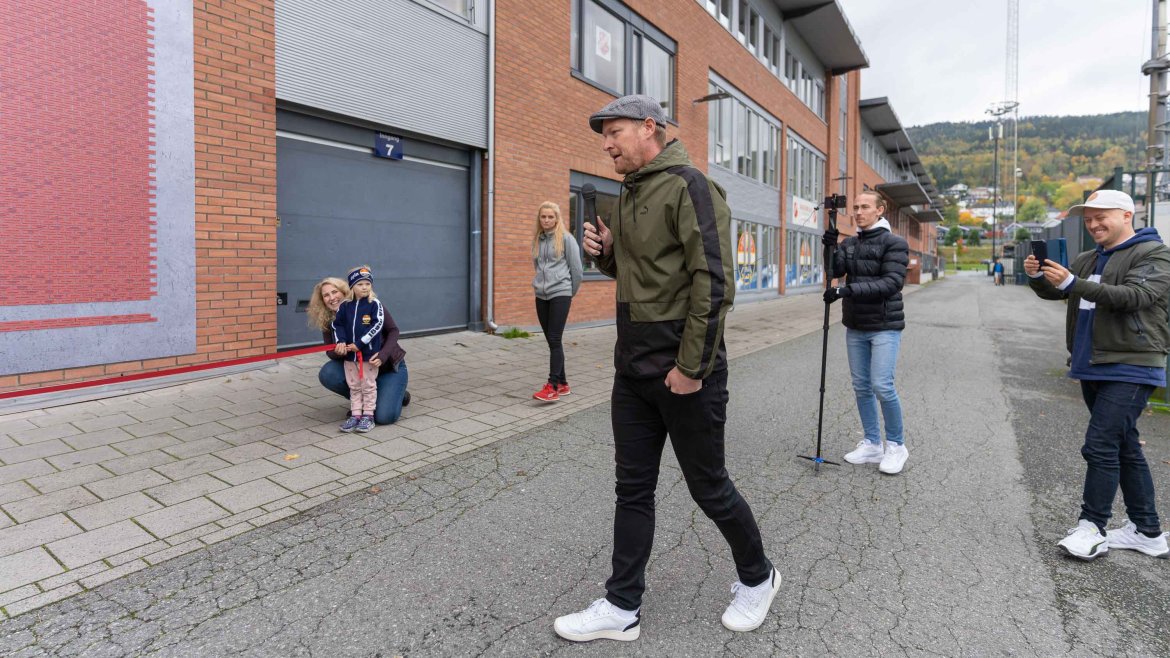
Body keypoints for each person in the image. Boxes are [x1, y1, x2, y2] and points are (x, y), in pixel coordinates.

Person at [553, 95, 778, 644]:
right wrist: (608, 254)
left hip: (684, 369)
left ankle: (759, 577)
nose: (607, 145)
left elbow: (714, 281)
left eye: (615, 132)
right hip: (632, 368)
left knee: (709, 488)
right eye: (604, 137)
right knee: (632, 489)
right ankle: (621, 606)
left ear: (649, 127)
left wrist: (692, 367)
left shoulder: (690, 185)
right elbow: (646, 275)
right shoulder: (630, 193)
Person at [1024, 189, 1170, 560]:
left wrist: (1072, 282)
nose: (1093, 225)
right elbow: (1060, 293)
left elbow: (1134, 297)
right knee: (1124, 445)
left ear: (1127, 215)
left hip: (1133, 363)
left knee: (1100, 444)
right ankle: (1147, 532)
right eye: (1088, 219)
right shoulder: (1088, 258)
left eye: (1101, 216)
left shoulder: (1154, 253)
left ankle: (1092, 527)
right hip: (1091, 362)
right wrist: (1040, 277)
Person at [822, 190, 910, 475]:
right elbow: (834, 271)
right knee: (861, 387)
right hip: (856, 325)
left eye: (865, 207)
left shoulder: (895, 243)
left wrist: (847, 290)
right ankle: (872, 443)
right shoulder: (850, 243)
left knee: (882, 385)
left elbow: (892, 283)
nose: (858, 212)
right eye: (856, 207)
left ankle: (896, 445)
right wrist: (830, 247)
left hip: (884, 325)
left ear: (879, 210)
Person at [307, 276, 410, 426]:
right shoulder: (330, 320)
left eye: (335, 292)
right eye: (326, 295)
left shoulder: (370, 304)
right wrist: (339, 351)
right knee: (328, 373)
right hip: (358, 368)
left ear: (345, 291)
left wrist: (383, 354)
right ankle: (363, 404)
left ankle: (397, 395)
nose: (332, 298)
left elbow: (393, 330)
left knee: (384, 417)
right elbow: (330, 352)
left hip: (388, 368)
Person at [531, 201, 583, 402]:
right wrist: (539, 284)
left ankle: (552, 386)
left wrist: (569, 293)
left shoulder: (566, 239)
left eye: (550, 217)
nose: (546, 220)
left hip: (560, 293)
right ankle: (563, 383)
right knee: (552, 340)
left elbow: (577, 269)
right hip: (541, 295)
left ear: (557, 218)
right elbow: (537, 265)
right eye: (543, 216)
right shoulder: (538, 239)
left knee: (554, 338)